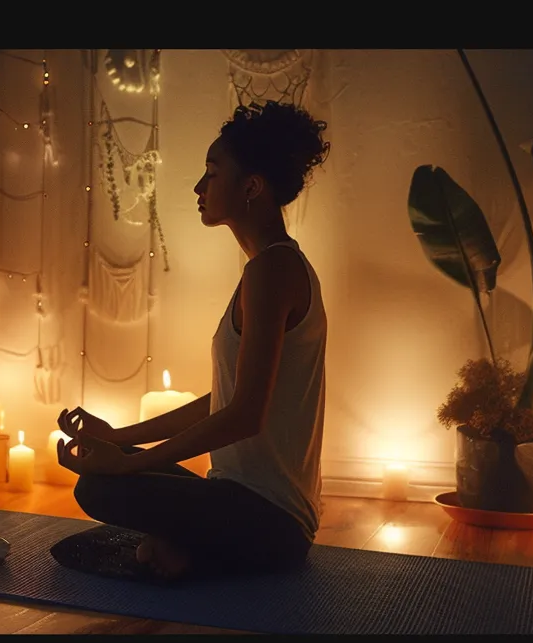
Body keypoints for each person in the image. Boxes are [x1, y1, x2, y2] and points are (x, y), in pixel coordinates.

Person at [55, 100, 331, 581]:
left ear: (251, 187)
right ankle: (179, 549)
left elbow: (245, 416)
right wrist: (118, 440)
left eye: (212, 173)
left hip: (270, 523)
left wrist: (122, 466)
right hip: (243, 504)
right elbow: (224, 401)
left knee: (100, 489)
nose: (200, 187)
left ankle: (191, 555)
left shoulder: (273, 271)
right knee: (109, 472)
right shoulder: (267, 268)